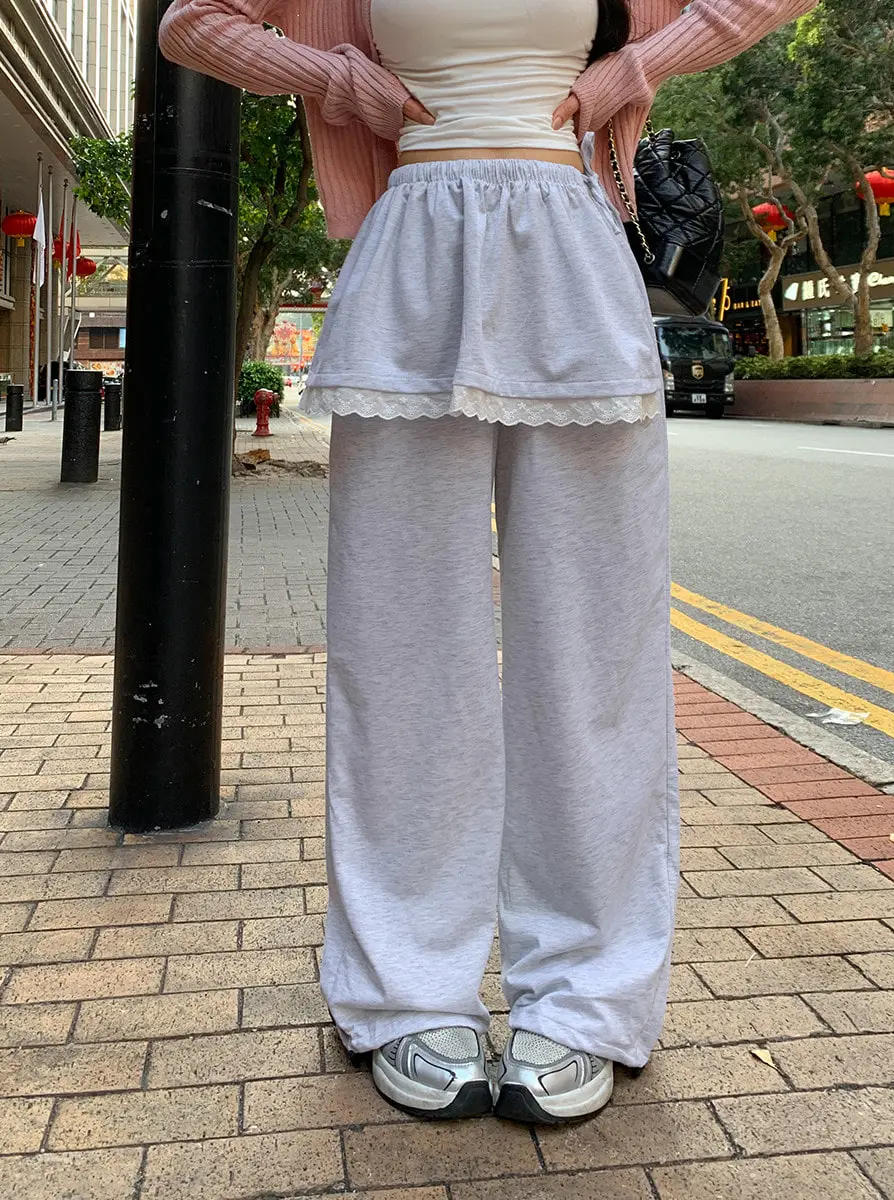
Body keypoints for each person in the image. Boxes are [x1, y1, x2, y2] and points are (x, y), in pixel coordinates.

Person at [159, 0, 815, 1124]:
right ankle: (406, 988)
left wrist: (632, 72)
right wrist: (342, 85)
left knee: (593, 658)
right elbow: (191, 23)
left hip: (571, 252)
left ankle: (589, 995)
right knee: (401, 653)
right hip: (413, 255)